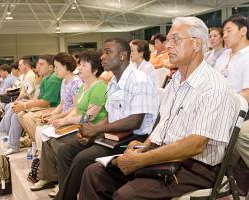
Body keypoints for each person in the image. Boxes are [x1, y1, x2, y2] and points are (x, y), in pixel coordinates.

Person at [79, 16, 236, 200]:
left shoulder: (214, 86)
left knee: (126, 195)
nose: (167, 45)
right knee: (94, 174)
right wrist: (142, 146)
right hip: (161, 155)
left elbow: (196, 144)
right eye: (168, 39)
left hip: (194, 166)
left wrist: (142, 159)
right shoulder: (175, 81)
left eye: (175, 39)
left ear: (196, 44)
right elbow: (163, 127)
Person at [54, 38, 158, 200]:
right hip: (112, 135)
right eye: (103, 52)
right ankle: (68, 194)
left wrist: (96, 129)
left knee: (82, 159)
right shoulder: (113, 82)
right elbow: (111, 116)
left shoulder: (140, 80)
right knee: (65, 150)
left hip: (133, 139)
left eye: (107, 52)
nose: (102, 56)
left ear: (123, 55)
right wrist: (92, 133)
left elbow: (135, 121)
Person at [29, 50, 104, 193]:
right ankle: (49, 177)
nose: (79, 68)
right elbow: (76, 108)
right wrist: (61, 119)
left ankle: (67, 182)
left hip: (90, 128)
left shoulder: (99, 87)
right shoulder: (84, 86)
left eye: (83, 65)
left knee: (58, 143)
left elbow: (89, 117)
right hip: (78, 124)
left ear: (94, 69)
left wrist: (65, 121)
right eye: (80, 64)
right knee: (47, 140)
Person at [214, 14, 249, 193]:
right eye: (224, 31)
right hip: (221, 107)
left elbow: (247, 94)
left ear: (243, 31)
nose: (224, 35)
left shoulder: (248, 56)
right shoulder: (224, 55)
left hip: (241, 111)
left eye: (229, 31)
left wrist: (221, 108)